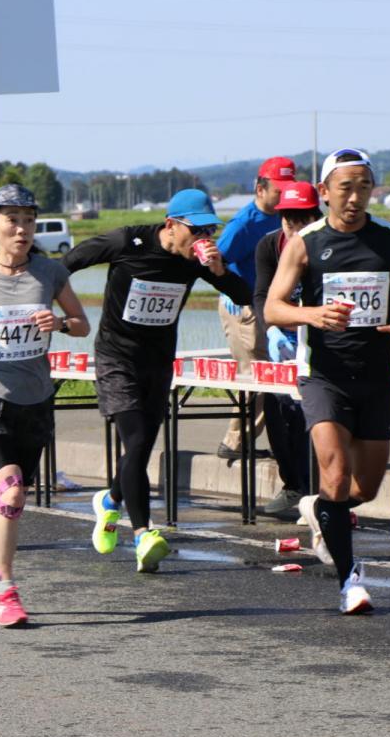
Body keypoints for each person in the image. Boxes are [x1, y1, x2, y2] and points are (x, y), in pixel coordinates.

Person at [265, 148, 390, 615]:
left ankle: (320, 509)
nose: (355, 197)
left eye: (364, 187)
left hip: (377, 375)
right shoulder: (306, 243)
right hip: (324, 376)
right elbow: (273, 308)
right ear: (324, 192)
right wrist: (312, 315)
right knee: (336, 476)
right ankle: (350, 582)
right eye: (345, 187)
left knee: (365, 490)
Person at [63, 188, 252, 571]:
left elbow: (245, 295)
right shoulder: (127, 241)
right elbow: (67, 264)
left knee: (141, 447)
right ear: (171, 225)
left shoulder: (197, 260)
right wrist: (57, 308)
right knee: (135, 441)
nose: (203, 239)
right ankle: (143, 535)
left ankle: (109, 502)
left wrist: (220, 272)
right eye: (196, 231)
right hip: (116, 358)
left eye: (209, 231)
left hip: (158, 362)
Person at [0, 185, 89, 626]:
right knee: (9, 492)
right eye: (13, 220)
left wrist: (60, 323)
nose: (22, 229)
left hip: (36, 399)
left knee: (13, 501)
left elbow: (82, 325)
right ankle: (6, 588)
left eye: (29, 221)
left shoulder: (50, 273)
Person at [215, 156, 296, 463]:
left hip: (272, 306)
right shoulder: (244, 225)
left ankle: (255, 440)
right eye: (278, 190)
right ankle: (236, 441)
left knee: (272, 374)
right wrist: (232, 292)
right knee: (256, 376)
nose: (284, 195)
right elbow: (215, 264)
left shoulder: (286, 216)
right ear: (260, 189)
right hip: (244, 308)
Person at [253, 182, 321, 515]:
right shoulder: (269, 246)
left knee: (315, 411)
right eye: (288, 222)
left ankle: (318, 492)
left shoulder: (327, 245)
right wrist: (272, 330)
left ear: (316, 218)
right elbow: (261, 295)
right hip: (284, 338)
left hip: (320, 338)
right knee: (278, 408)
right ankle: (294, 485)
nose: (294, 231)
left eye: (302, 222)